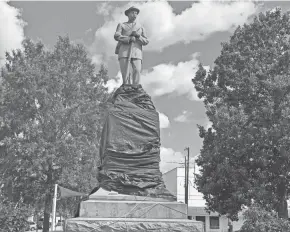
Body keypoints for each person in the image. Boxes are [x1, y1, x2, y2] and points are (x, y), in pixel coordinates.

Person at [114, 6, 149, 85]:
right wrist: (128, 39)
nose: (135, 15)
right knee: (125, 71)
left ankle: (136, 87)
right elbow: (116, 36)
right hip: (124, 51)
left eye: (136, 13)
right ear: (128, 14)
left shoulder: (141, 27)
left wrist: (138, 36)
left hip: (137, 52)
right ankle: (126, 86)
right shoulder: (122, 25)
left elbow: (146, 41)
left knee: (137, 70)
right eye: (133, 13)